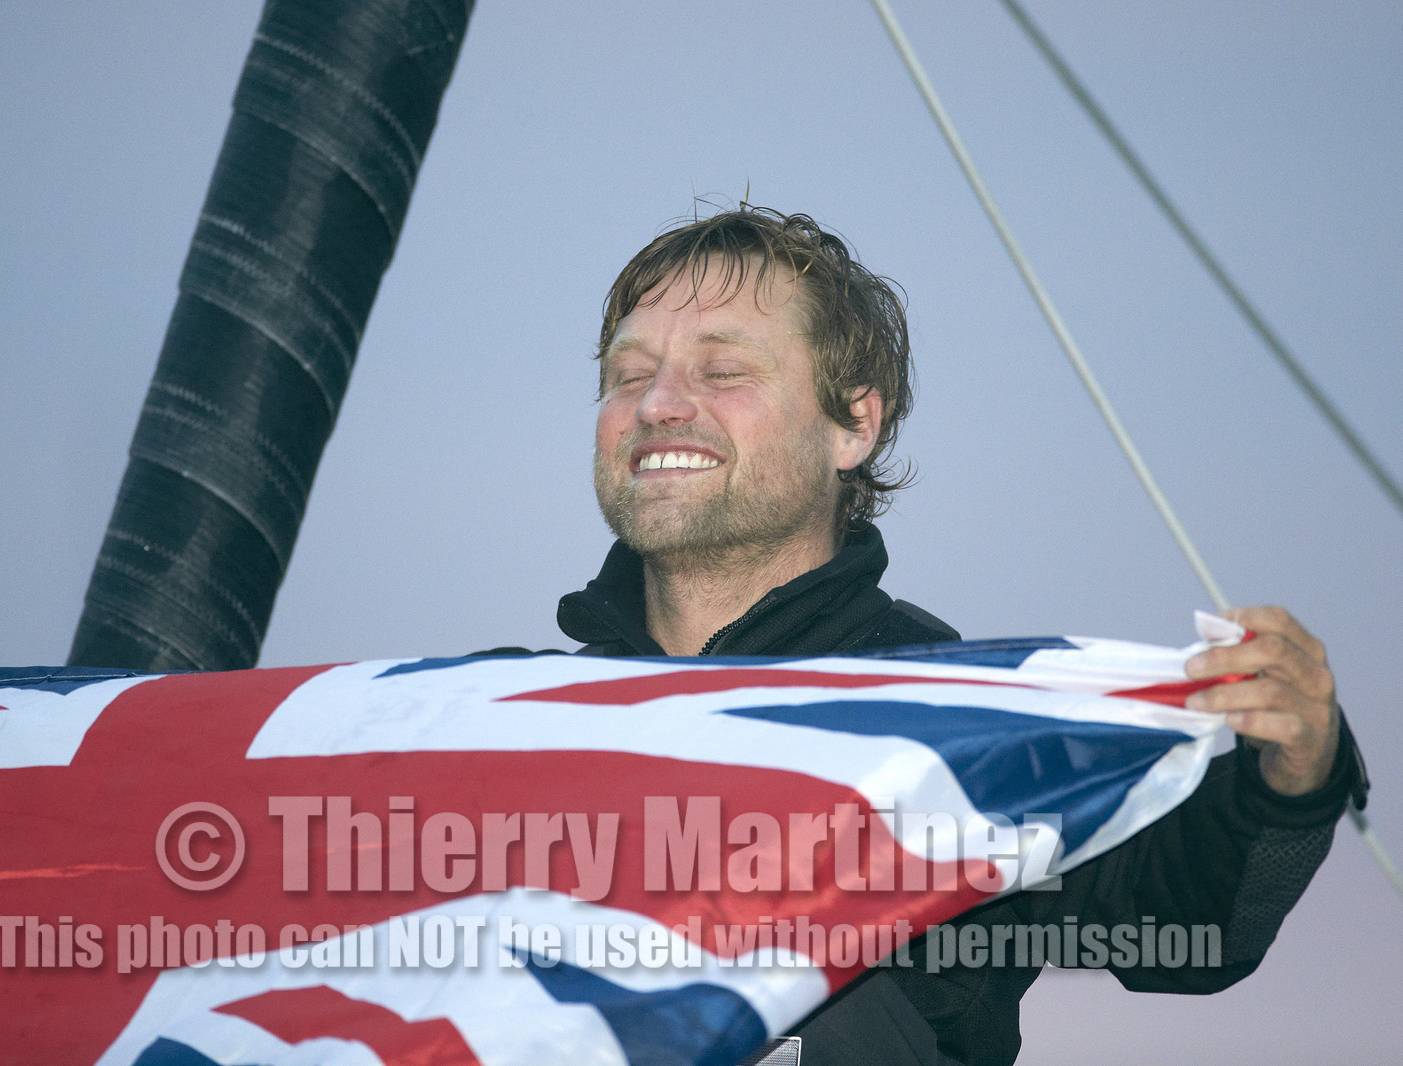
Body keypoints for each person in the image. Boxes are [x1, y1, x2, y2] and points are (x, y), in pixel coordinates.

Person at [553, 207, 1367, 1065]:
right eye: (628, 374)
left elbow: (1196, 924)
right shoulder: (514, 730)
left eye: (722, 370)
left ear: (854, 425)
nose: (658, 404)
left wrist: (1288, 779)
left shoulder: (965, 730)